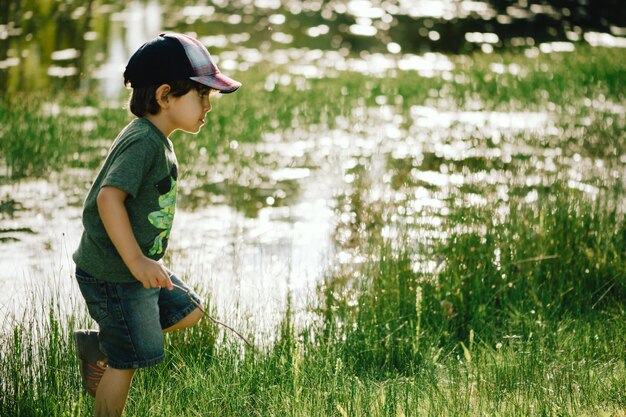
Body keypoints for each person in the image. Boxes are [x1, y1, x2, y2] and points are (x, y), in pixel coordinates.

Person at [72, 32, 241, 416]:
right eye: (201, 95)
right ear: (165, 96)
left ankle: (103, 344)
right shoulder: (143, 142)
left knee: (189, 310)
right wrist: (136, 261)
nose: (208, 107)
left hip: (131, 270)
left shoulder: (156, 139)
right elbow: (108, 198)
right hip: (114, 273)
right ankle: (114, 357)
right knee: (128, 360)